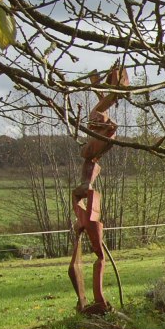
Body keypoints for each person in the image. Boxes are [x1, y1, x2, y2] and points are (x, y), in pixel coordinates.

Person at [69, 65, 129, 315]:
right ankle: (94, 301)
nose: (92, 123)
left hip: (89, 201)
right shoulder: (96, 146)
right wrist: (100, 88)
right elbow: (100, 111)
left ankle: (99, 300)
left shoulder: (101, 140)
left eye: (97, 123)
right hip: (86, 199)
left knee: (99, 256)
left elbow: (100, 113)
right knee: (94, 256)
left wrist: (107, 92)